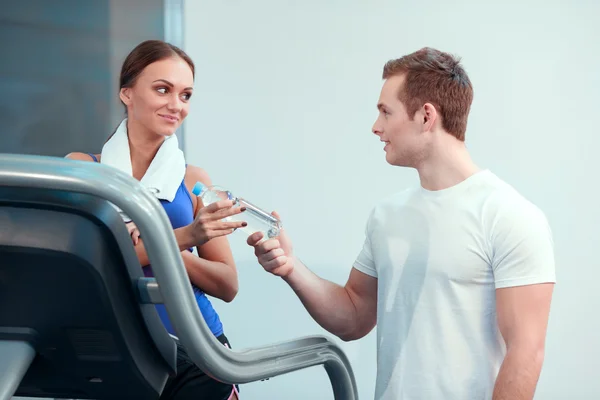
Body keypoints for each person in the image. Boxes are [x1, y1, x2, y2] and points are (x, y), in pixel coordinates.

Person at [247, 47, 556, 400]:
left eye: (385, 112)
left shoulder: (510, 215)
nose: (376, 127)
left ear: (426, 116)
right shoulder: (387, 215)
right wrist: (290, 267)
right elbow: (353, 317)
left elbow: (526, 351)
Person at [66, 40, 242, 400]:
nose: (176, 105)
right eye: (163, 89)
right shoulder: (84, 170)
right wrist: (184, 236)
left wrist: (166, 252)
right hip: (113, 357)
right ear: (127, 93)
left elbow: (227, 285)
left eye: (186, 95)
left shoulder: (194, 180)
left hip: (201, 353)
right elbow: (91, 263)